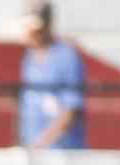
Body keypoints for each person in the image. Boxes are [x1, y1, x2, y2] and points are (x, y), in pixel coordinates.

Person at [18, 1, 86, 150]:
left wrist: (42, 144)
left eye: (36, 29)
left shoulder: (67, 56)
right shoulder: (29, 58)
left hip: (63, 153)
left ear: (48, 26)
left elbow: (71, 110)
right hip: (34, 152)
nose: (31, 33)